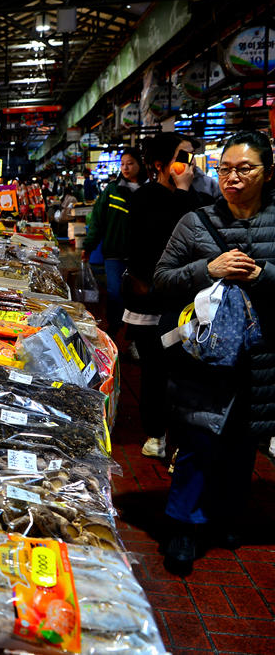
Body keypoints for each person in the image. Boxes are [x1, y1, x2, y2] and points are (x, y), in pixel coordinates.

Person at [152, 131, 275, 575]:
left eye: (245, 169)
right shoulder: (195, 222)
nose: (232, 178)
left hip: (262, 356)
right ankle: (184, 525)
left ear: (268, 172)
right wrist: (207, 269)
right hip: (206, 356)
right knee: (198, 438)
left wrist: (262, 275)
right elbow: (162, 279)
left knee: (243, 441)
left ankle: (225, 516)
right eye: (225, 169)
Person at [123, 133, 207, 459]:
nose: (190, 166)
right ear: (160, 165)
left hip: (187, 303)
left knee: (185, 372)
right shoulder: (143, 198)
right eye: (182, 158)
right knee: (154, 371)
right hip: (149, 302)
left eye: (191, 158)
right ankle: (155, 434)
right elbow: (164, 237)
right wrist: (182, 193)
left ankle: (182, 438)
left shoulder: (199, 198)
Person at [81, 149, 146, 339]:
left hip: (140, 254)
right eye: (123, 163)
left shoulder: (149, 190)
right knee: (115, 294)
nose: (125, 167)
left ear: (140, 164)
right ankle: (113, 330)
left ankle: (133, 337)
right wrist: (89, 246)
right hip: (114, 252)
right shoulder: (112, 190)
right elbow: (98, 221)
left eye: (130, 163)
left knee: (137, 296)